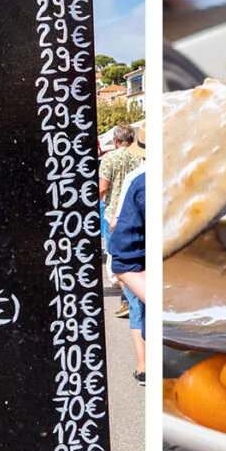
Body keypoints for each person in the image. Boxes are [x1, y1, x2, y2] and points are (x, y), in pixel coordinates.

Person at [98, 124, 143, 317]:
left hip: (113, 216)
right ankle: (130, 301)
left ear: (116, 141)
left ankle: (132, 301)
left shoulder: (110, 158)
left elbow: (102, 188)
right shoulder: (138, 158)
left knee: (118, 262)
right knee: (138, 261)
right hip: (137, 214)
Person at [108, 165, 146, 385]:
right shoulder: (137, 176)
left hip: (133, 241)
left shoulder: (138, 178)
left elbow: (116, 220)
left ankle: (143, 367)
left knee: (136, 308)